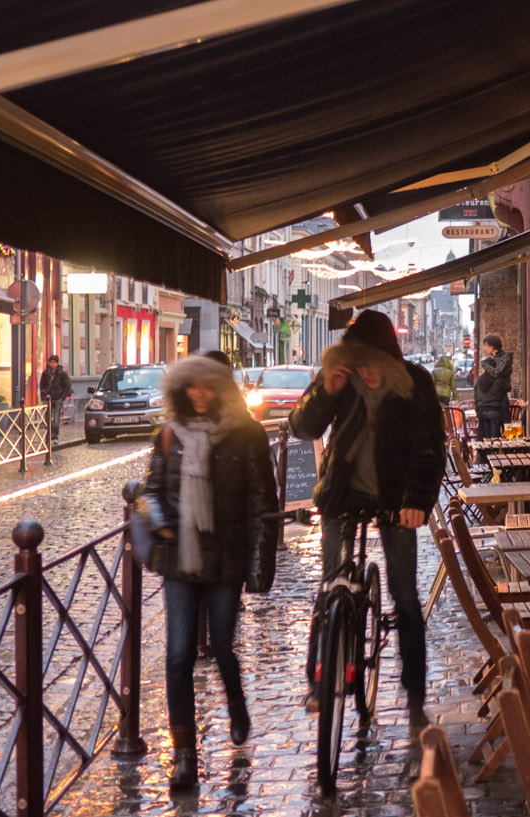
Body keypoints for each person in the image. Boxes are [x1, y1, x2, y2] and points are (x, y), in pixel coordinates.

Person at [288, 310, 446, 730]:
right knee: (330, 586)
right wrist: (326, 390)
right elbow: (300, 427)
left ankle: (414, 696)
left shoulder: (414, 384)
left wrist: (418, 501)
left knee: (405, 596)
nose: (365, 369)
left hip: (397, 498)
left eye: (371, 359)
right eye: (358, 359)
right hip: (343, 492)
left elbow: (430, 446)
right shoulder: (341, 380)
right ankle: (319, 679)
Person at [142, 356, 278, 791]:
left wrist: (259, 569)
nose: (199, 395)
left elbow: (263, 504)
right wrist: (162, 521)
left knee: (222, 648)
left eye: (208, 387)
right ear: (181, 390)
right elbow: (150, 492)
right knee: (179, 655)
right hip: (180, 559)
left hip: (226, 560)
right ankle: (185, 757)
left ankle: (236, 704)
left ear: (222, 389)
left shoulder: (247, 434)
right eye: (191, 387)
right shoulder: (168, 435)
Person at [473, 335, 512, 438]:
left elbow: (476, 398)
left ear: (492, 346)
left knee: (484, 437)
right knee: (495, 438)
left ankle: (485, 453)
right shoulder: (499, 379)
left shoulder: (503, 358)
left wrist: (484, 363)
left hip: (482, 410)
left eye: (486, 345)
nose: (485, 348)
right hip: (497, 408)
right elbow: (507, 387)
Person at [39, 355, 73, 442]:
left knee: (56, 418)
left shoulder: (62, 374)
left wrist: (62, 397)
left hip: (58, 398)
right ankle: (49, 434)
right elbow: (42, 385)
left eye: (54, 362)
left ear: (57, 363)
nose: (52, 364)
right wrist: (43, 397)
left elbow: (66, 386)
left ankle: (55, 436)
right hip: (48, 398)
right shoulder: (45, 373)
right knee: (48, 418)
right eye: (51, 362)